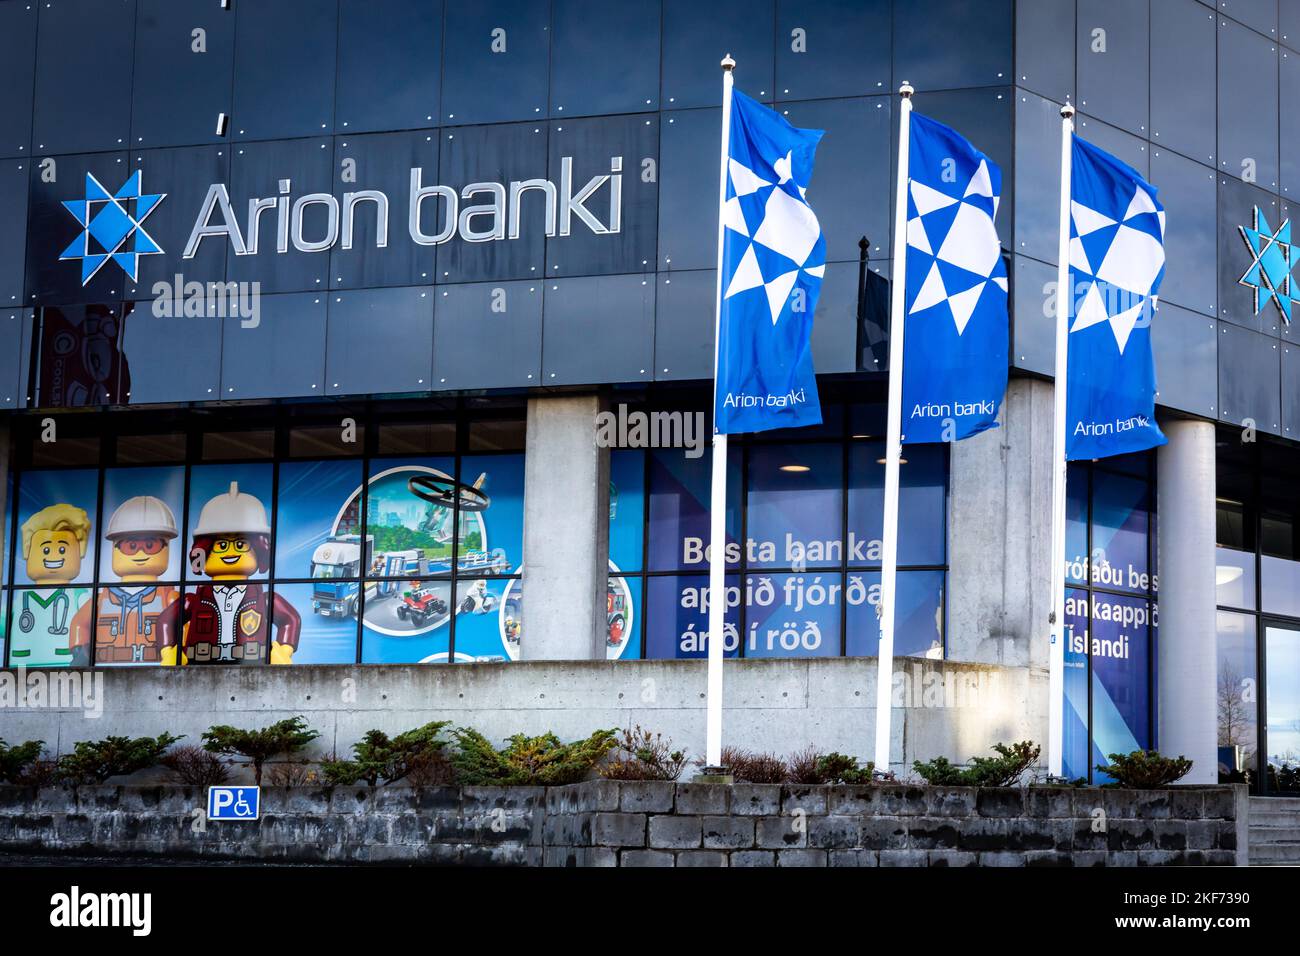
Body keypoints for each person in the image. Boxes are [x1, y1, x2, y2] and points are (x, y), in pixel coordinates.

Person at [156, 482, 300, 665]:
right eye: (221, 546)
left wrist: (283, 650)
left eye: (241, 545)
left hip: (251, 666)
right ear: (203, 551)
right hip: (200, 667)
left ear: (259, 550)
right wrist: (170, 652)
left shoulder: (263, 599)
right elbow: (166, 621)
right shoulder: (195, 600)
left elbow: (290, 619)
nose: (230, 552)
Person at [69, 495, 180, 665]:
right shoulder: (101, 600)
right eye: (131, 547)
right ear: (116, 548)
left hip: (155, 668)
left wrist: (177, 651)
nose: (140, 554)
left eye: (150, 546)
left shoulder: (168, 597)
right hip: (108, 670)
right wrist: (80, 650)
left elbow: (184, 625)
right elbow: (79, 623)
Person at [13, 503, 92, 666]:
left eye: (62, 550)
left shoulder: (79, 595)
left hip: (65, 668)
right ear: (28, 553)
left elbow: (94, 621)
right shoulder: (22, 596)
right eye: (46, 550)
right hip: (19, 668)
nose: (54, 556)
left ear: (79, 554)